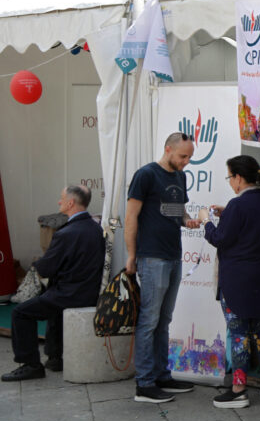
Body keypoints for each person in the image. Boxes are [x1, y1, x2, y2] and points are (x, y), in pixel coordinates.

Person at [200, 156, 260, 408]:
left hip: (238, 278)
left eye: (230, 177)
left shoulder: (238, 205)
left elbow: (219, 238)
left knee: (237, 332)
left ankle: (238, 388)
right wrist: (227, 214)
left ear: (238, 177)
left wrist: (206, 220)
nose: (230, 183)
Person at [126, 132, 200, 404]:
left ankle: (161, 375)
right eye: (183, 156)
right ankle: (144, 383)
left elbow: (176, 211)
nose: (186, 162)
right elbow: (131, 216)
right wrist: (132, 255)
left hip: (173, 254)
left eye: (190, 157)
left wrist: (189, 220)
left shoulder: (180, 177)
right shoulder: (146, 175)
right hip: (152, 256)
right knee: (149, 320)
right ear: (168, 149)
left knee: (163, 319)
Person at [2, 186, 104, 382]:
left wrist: (37, 264)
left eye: (61, 198)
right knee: (50, 304)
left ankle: (31, 364)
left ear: (70, 203)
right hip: (86, 291)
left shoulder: (66, 233)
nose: (59, 202)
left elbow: (46, 269)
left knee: (20, 312)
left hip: (70, 293)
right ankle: (55, 358)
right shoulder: (95, 228)